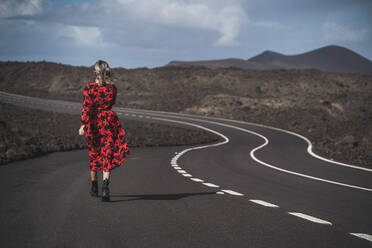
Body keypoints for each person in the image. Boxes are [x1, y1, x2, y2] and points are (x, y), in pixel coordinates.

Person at [78, 60, 130, 202]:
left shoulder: (88, 88)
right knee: (107, 153)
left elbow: (86, 107)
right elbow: (110, 103)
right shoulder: (112, 89)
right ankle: (105, 187)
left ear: (95, 72)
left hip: (93, 123)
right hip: (108, 122)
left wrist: (83, 124)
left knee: (94, 153)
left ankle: (94, 186)